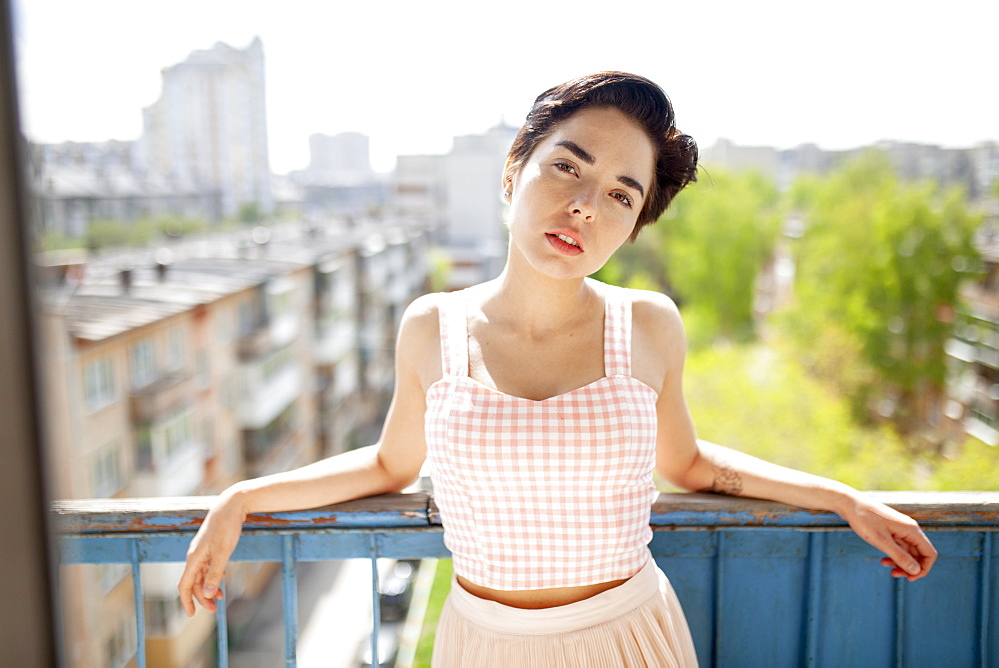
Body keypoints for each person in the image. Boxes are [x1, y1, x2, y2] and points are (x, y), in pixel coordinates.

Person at [178, 72, 937, 666]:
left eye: (619, 195)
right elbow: (388, 465)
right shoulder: (431, 328)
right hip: (485, 646)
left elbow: (692, 464)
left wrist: (844, 499)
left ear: (633, 227)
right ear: (514, 169)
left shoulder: (647, 325)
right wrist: (242, 497)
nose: (582, 207)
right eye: (566, 167)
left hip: (628, 638)